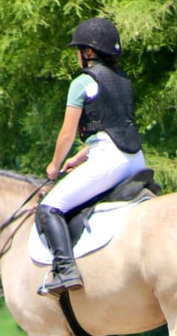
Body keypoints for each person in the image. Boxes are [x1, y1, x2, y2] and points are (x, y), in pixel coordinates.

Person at [36, 17, 147, 297]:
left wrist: (55, 164)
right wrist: (81, 158)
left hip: (109, 162)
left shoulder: (83, 82)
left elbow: (67, 134)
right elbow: (114, 127)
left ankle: (65, 270)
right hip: (134, 161)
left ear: (88, 52)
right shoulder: (123, 81)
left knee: (49, 208)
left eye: (79, 50)